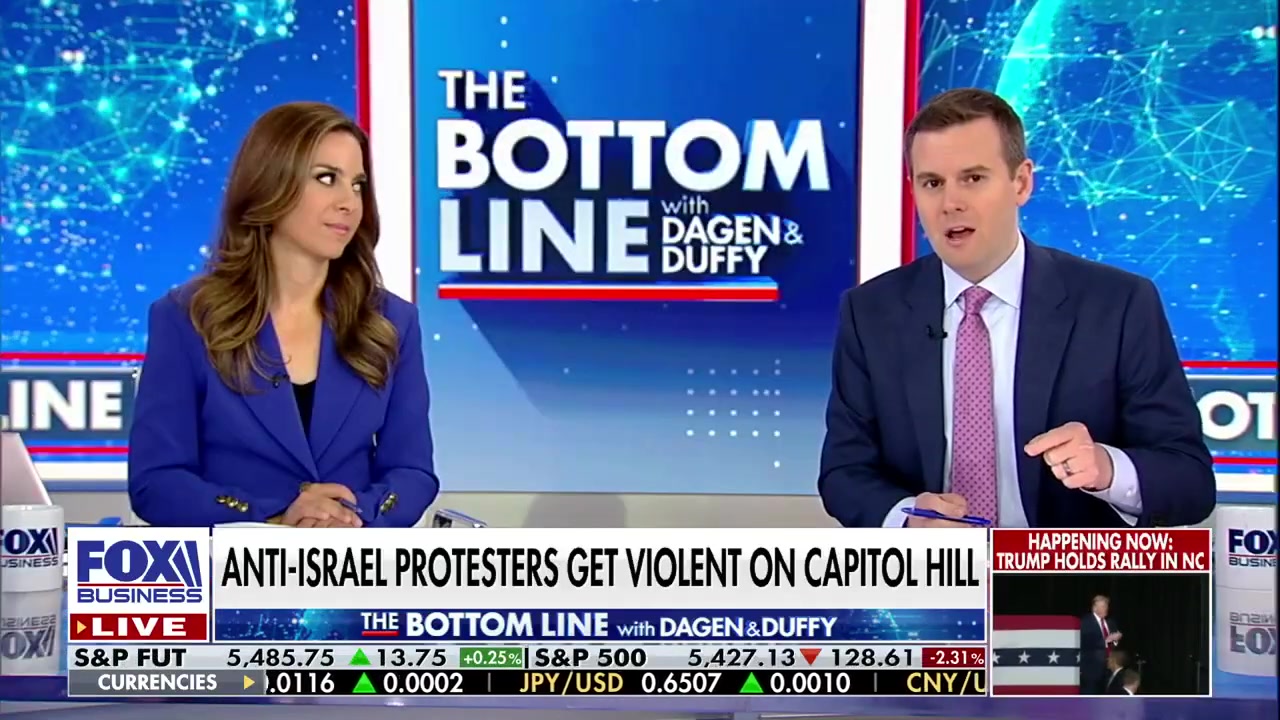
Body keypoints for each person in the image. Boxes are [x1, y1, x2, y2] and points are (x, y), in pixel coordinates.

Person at [817, 87, 1215, 529]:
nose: (950, 203)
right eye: (932, 183)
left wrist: (1106, 468)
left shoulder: (1117, 305)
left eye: (973, 178)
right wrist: (910, 521)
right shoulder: (871, 313)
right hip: (934, 571)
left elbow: (1191, 481)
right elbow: (844, 473)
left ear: (1021, 182)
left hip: (1064, 570)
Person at [127, 101, 440, 527]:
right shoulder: (186, 318)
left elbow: (412, 472)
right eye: (326, 178)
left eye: (358, 184)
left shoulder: (392, 322)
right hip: (236, 564)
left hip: (352, 562)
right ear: (270, 183)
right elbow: (157, 482)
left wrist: (352, 516)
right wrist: (273, 516)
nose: (349, 202)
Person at [1081, 595, 1122, 695]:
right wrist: (1106, 640)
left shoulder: (1110, 622)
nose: (1106, 609)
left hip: (1109, 668)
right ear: (1094, 608)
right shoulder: (1086, 622)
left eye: (1107, 606)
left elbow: (1114, 644)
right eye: (1103, 606)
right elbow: (1086, 642)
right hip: (1092, 670)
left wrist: (1115, 640)